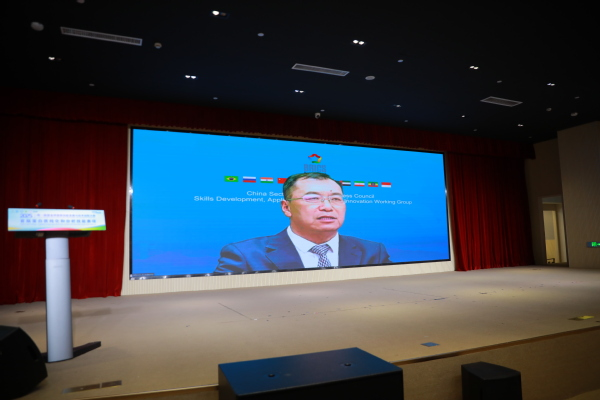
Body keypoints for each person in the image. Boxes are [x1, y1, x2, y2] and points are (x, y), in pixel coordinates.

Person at [214, 172, 392, 273]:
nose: (327, 207)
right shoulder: (245, 255)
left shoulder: (372, 251)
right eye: (313, 198)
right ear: (286, 207)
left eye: (336, 199)